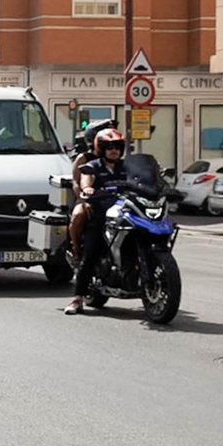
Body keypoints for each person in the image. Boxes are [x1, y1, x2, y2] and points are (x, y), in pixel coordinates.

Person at [65, 126, 128, 314]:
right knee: (91, 251)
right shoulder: (90, 164)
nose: (114, 150)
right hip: (99, 210)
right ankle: (78, 298)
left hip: (124, 211)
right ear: (100, 148)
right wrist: (87, 191)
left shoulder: (127, 166)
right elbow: (84, 179)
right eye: (110, 147)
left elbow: (142, 179)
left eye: (117, 147)